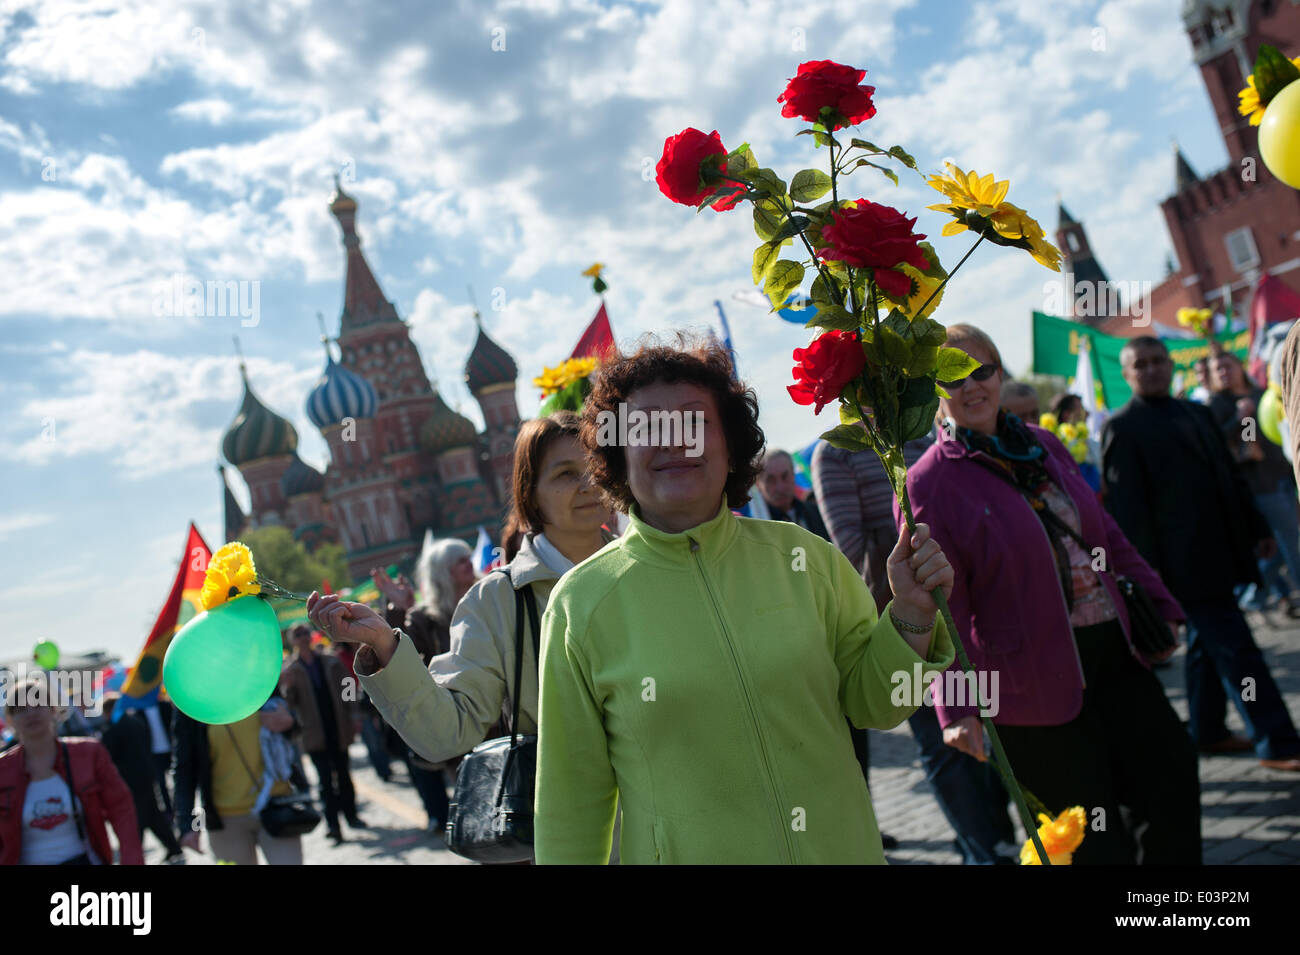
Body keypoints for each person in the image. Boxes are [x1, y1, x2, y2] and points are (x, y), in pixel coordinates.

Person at [531, 336, 956, 864]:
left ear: (729, 445)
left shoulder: (805, 559)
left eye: (694, 422)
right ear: (617, 453)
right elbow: (571, 802)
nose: (673, 442)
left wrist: (912, 615)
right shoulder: (580, 605)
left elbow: (880, 704)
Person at [906, 324, 1201, 864]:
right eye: (952, 376)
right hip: (1026, 686)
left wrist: (1160, 602)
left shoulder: (1041, 444)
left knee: (1173, 782)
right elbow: (945, 604)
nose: (972, 386)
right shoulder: (927, 482)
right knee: (1090, 840)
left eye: (983, 370)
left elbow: (1104, 534)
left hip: (1115, 650)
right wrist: (956, 707)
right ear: (933, 392)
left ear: (1000, 373)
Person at [306, 412, 614, 857]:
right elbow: (447, 733)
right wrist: (385, 645)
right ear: (530, 495)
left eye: (596, 467)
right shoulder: (499, 600)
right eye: (566, 474)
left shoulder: (648, 572)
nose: (589, 484)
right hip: (575, 842)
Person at [814, 431, 1017, 865]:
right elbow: (846, 550)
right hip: (906, 626)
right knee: (942, 742)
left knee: (984, 726)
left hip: (963, 612)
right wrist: (912, 563)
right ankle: (984, 853)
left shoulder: (920, 436)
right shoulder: (835, 452)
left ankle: (997, 837)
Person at [1103, 336, 1300, 771]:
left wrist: (1256, 526)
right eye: (1142, 364)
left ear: (1171, 365)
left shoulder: (1197, 411)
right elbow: (1128, 511)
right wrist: (1148, 575)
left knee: (1207, 648)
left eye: (1159, 361)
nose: (1153, 369)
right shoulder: (1123, 426)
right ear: (1127, 373)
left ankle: (1207, 730)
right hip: (1181, 567)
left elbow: (1229, 475)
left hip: (1223, 549)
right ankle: (1279, 740)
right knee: (1237, 649)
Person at [370, 536, 478, 834]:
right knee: (485, 819)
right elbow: (398, 655)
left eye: (468, 557)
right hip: (462, 727)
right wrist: (396, 608)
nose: (468, 564)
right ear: (443, 572)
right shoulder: (426, 619)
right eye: (459, 560)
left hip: (506, 717)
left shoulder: (491, 598)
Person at [0, 674, 144, 865]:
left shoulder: (88, 753)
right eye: (20, 709)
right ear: (10, 719)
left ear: (53, 710)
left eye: (37, 704)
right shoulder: (4, 769)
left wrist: (132, 859)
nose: (30, 713)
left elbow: (120, 807)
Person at [1208, 350, 1300, 616]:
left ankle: (1252, 596)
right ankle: (1257, 594)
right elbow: (1223, 441)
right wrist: (1239, 420)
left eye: (1227, 365)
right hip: (1260, 485)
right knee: (1290, 542)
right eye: (1218, 369)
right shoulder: (1218, 404)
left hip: (1283, 474)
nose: (1224, 372)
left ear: (1240, 366)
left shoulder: (1262, 393)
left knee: (1283, 546)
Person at [173, 694, 304, 865]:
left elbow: (294, 728)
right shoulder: (190, 702)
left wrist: (290, 722)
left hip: (277, 808)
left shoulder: (259, 679)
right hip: (226, 820)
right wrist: (186, 824)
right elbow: (185, 766)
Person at [280, 625, 363, 842]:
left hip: (337, 726)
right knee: (325, 781)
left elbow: (348, 685)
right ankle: (333, 826)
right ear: (293, 641)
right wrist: (287, 688)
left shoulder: (330, 661)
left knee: (344, 775)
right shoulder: (292, 670)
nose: (303, 637)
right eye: (297, 635)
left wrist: (353, 714)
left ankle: (352, 816)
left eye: (305, 633)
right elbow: (290, 703)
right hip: (314, 734)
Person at [99, 693, 183, 863]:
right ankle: (172, 847)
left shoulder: (113, 729)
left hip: (131, 779)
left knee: (140, 816)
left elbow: (108, 753)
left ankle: (135, 852)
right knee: (153, 814)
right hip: (147, 772)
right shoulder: (135, 721)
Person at [753, 449, 829, 539]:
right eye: (770, 480)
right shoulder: (758, 530)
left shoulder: (817, 512)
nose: (780, 487)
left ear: (793, 474)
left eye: (785, 476)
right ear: (758, 484)